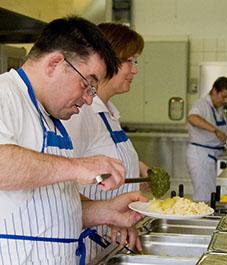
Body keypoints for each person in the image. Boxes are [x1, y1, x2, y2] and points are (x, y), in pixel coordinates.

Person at [0, 16, 147, 265]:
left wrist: (105, 211)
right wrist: (78, 167)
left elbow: (48, 207)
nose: (89, 99)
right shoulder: (5, 95)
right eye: (87, 84)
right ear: (55, 63)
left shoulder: (50, 115)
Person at [63, 22, 149, 261]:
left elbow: (101, 158)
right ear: (106, 60)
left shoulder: (108, 111)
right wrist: (104, 213)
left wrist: (137, 168)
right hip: (90, 241)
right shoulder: (80, 114)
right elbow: (62, 180)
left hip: (111, 241)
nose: (134, 70)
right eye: (129, 61)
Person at [186, 76, 227, 202]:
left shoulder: (218, 108)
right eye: (223, 96)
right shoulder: (201, 104)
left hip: (214, 154)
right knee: (203, 195)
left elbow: (222, 130)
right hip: (201, 155)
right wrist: (215, 130)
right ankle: (201, 220)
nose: (225, 100)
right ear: (214, 91)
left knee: (211, 193)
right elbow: (192, 118)